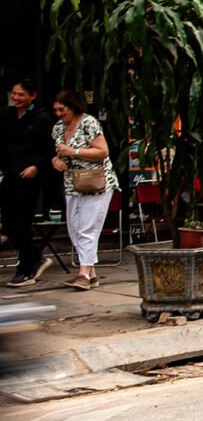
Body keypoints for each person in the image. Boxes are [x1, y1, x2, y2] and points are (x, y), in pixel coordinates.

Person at [50, 90, 118, 290]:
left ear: (73, 107)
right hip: (73, 183)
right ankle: (92, 274)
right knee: (74, 228)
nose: (59, 113)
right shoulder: (58, 129)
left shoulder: (88, 122)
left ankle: (83, 274)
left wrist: (75, 152)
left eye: (62, 109)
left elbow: (103, 151)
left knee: (88, 228)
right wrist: (56, 161)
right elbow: (59, 154)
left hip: (96, 182)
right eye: (56, 110)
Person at [2, 79, 57, 288]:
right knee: (8, 224)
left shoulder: (41, 118)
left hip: (29, 176)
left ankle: (26, 269)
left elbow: (49, 149)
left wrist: (36, 166)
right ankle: (37, 257)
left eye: (21, 95)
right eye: (14, 94)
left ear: (32, 96)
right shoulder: (6, 116)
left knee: (22, 223)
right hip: (10, 174)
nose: (16, 98)